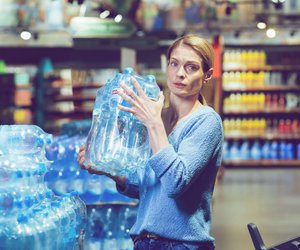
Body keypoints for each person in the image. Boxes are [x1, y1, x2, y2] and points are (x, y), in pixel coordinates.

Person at [78, 34, 224, 250]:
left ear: (207, 75)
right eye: (174, 64)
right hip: (145, 241)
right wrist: (107, 169)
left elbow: (176, 183)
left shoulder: (206, 122)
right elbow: (146, 186)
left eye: (191, 67)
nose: (180, 73)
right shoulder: (159, 117)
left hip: (182, 245)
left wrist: (153, 123)